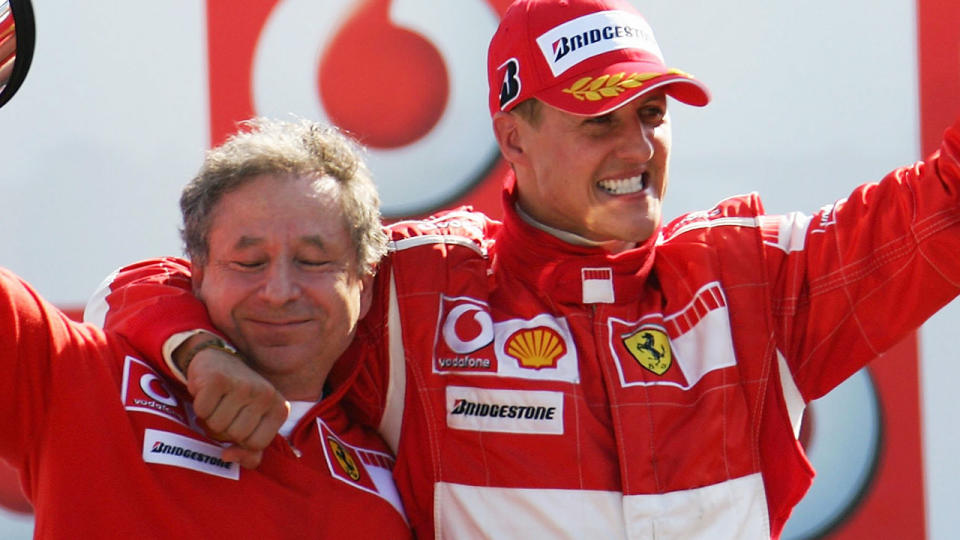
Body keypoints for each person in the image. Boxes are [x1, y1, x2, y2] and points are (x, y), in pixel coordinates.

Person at [86, 0, 960, 538]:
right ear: (513, 138)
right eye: (599, 121)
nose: (637, 146)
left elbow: (943, 207)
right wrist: (199, 357)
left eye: (652, 114)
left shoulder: (755, 280)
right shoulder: (420, 290)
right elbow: (157, 287)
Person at [1, 117, 411, 538]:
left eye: (312, 261)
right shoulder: (90, 382)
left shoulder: (397, 479)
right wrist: (200, 352)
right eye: (249, 263)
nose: (280, 291)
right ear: (196, 276)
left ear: (364, 285)